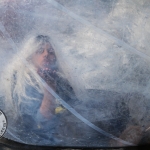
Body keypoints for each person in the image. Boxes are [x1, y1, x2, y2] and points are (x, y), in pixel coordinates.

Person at [1, 35, 61, 145]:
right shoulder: (22, 84)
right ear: (30, 57)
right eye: (40, 51)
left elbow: (76, 106)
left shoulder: (61, 79)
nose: (46, 54)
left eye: (51, 51)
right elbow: (41, 121)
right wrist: (50, 85)